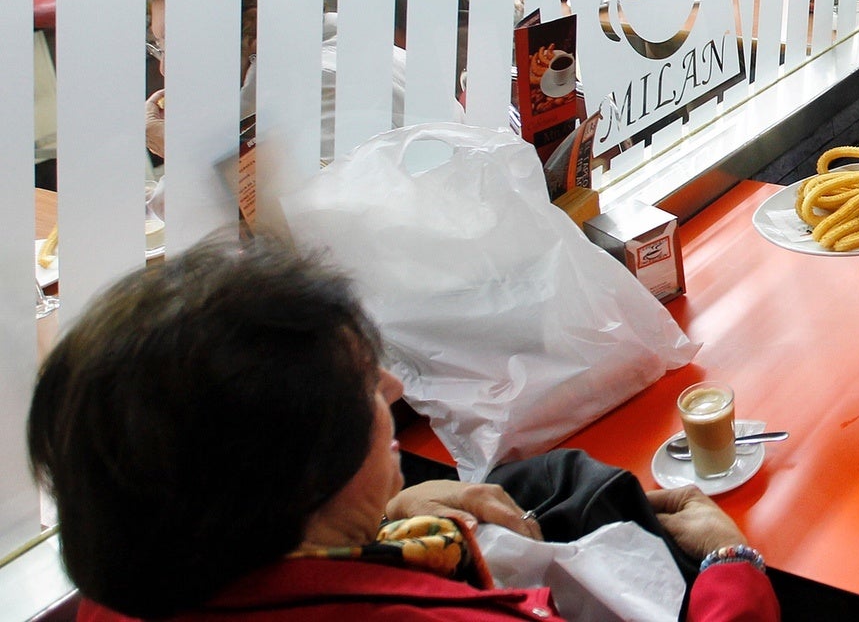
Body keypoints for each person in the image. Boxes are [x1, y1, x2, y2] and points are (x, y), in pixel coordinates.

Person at [27, 236, 779, 621]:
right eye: (360, 385)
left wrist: (365, 527)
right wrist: (731, 567)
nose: (392, 389)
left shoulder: (121, 588)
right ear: (297, 469)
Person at [144, 0, 408, 166]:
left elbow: (313, 211)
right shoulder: (301, 66)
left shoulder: (326, 84)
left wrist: (186, 151)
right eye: (160, 47)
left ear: (254, 28)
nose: (166, 69)